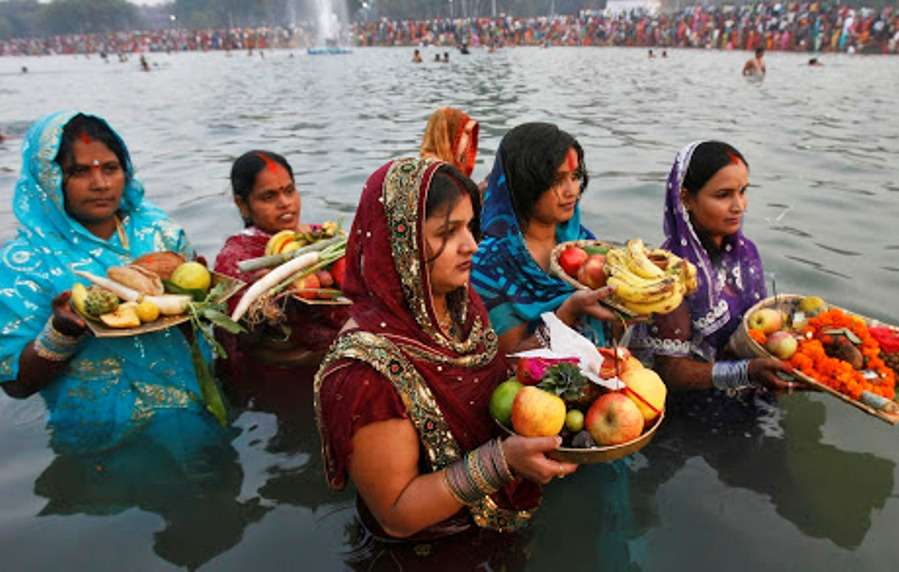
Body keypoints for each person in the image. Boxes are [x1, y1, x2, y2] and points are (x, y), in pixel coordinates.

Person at [315, 158, 570, 541]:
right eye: (446, 232)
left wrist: (568, 322)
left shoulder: (459, 305)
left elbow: (498, 383)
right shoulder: (366, 372)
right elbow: (396, 514)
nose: (471, 245)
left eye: (470, 227)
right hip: (430, 549)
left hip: (493, 524)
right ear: (400, 244)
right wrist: (501, 462)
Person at [0, 111, 228, 454]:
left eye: (110, 168)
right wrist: (61, 332)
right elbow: (15, 383)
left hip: (194, 415)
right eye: (79, 171)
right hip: (101, 440)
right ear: (48, 178)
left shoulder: (159, 233)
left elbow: (199, 328)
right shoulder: (26, 261)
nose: (101, 184)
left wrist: (201, 301)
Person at [630, 141, 798, 396]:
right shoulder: (670, 272)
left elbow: (758, 329)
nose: (739, 206)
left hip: (754, 388)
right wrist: (745, 372)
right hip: (693, 410)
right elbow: (670, 372)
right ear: (685, 198)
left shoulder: (746, 253)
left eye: (743, 191)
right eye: (723, 195)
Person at [470, 123, 616, 355]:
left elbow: (609, 332)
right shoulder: (489, 264)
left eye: (575, 176)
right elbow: (510, 359)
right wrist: (567, 314)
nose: (572, 191)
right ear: (524, 184)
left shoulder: (583, 242)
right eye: (557, 180)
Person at [213, 150, 348, 382]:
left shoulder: (322, 237)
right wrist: (268, 300)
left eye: (289, 191)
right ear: (242, 204)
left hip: (338, 365)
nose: (285, 203)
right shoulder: (237, 258)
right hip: (281, 382)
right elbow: (243, 338)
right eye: (268, 197)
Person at [419, 107, 479, 179]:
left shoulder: (420, 167)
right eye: (466, 133)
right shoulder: (444, 174)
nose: (469, 140)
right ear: (448, 136)